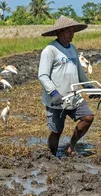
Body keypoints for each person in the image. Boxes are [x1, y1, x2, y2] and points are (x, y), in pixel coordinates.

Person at [38, 16, 95, 157]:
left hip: (74, 96)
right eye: (69, 31)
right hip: (57, 98)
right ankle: (51, 156)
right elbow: (43, 75)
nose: (72, 34)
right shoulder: (50, 50)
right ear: (60, 32)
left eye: (73, 31)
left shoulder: (72, 49)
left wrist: (90, 87)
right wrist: (54, 93)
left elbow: (79, 72)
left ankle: (71, 146)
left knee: (88, 117)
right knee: (57, 131)